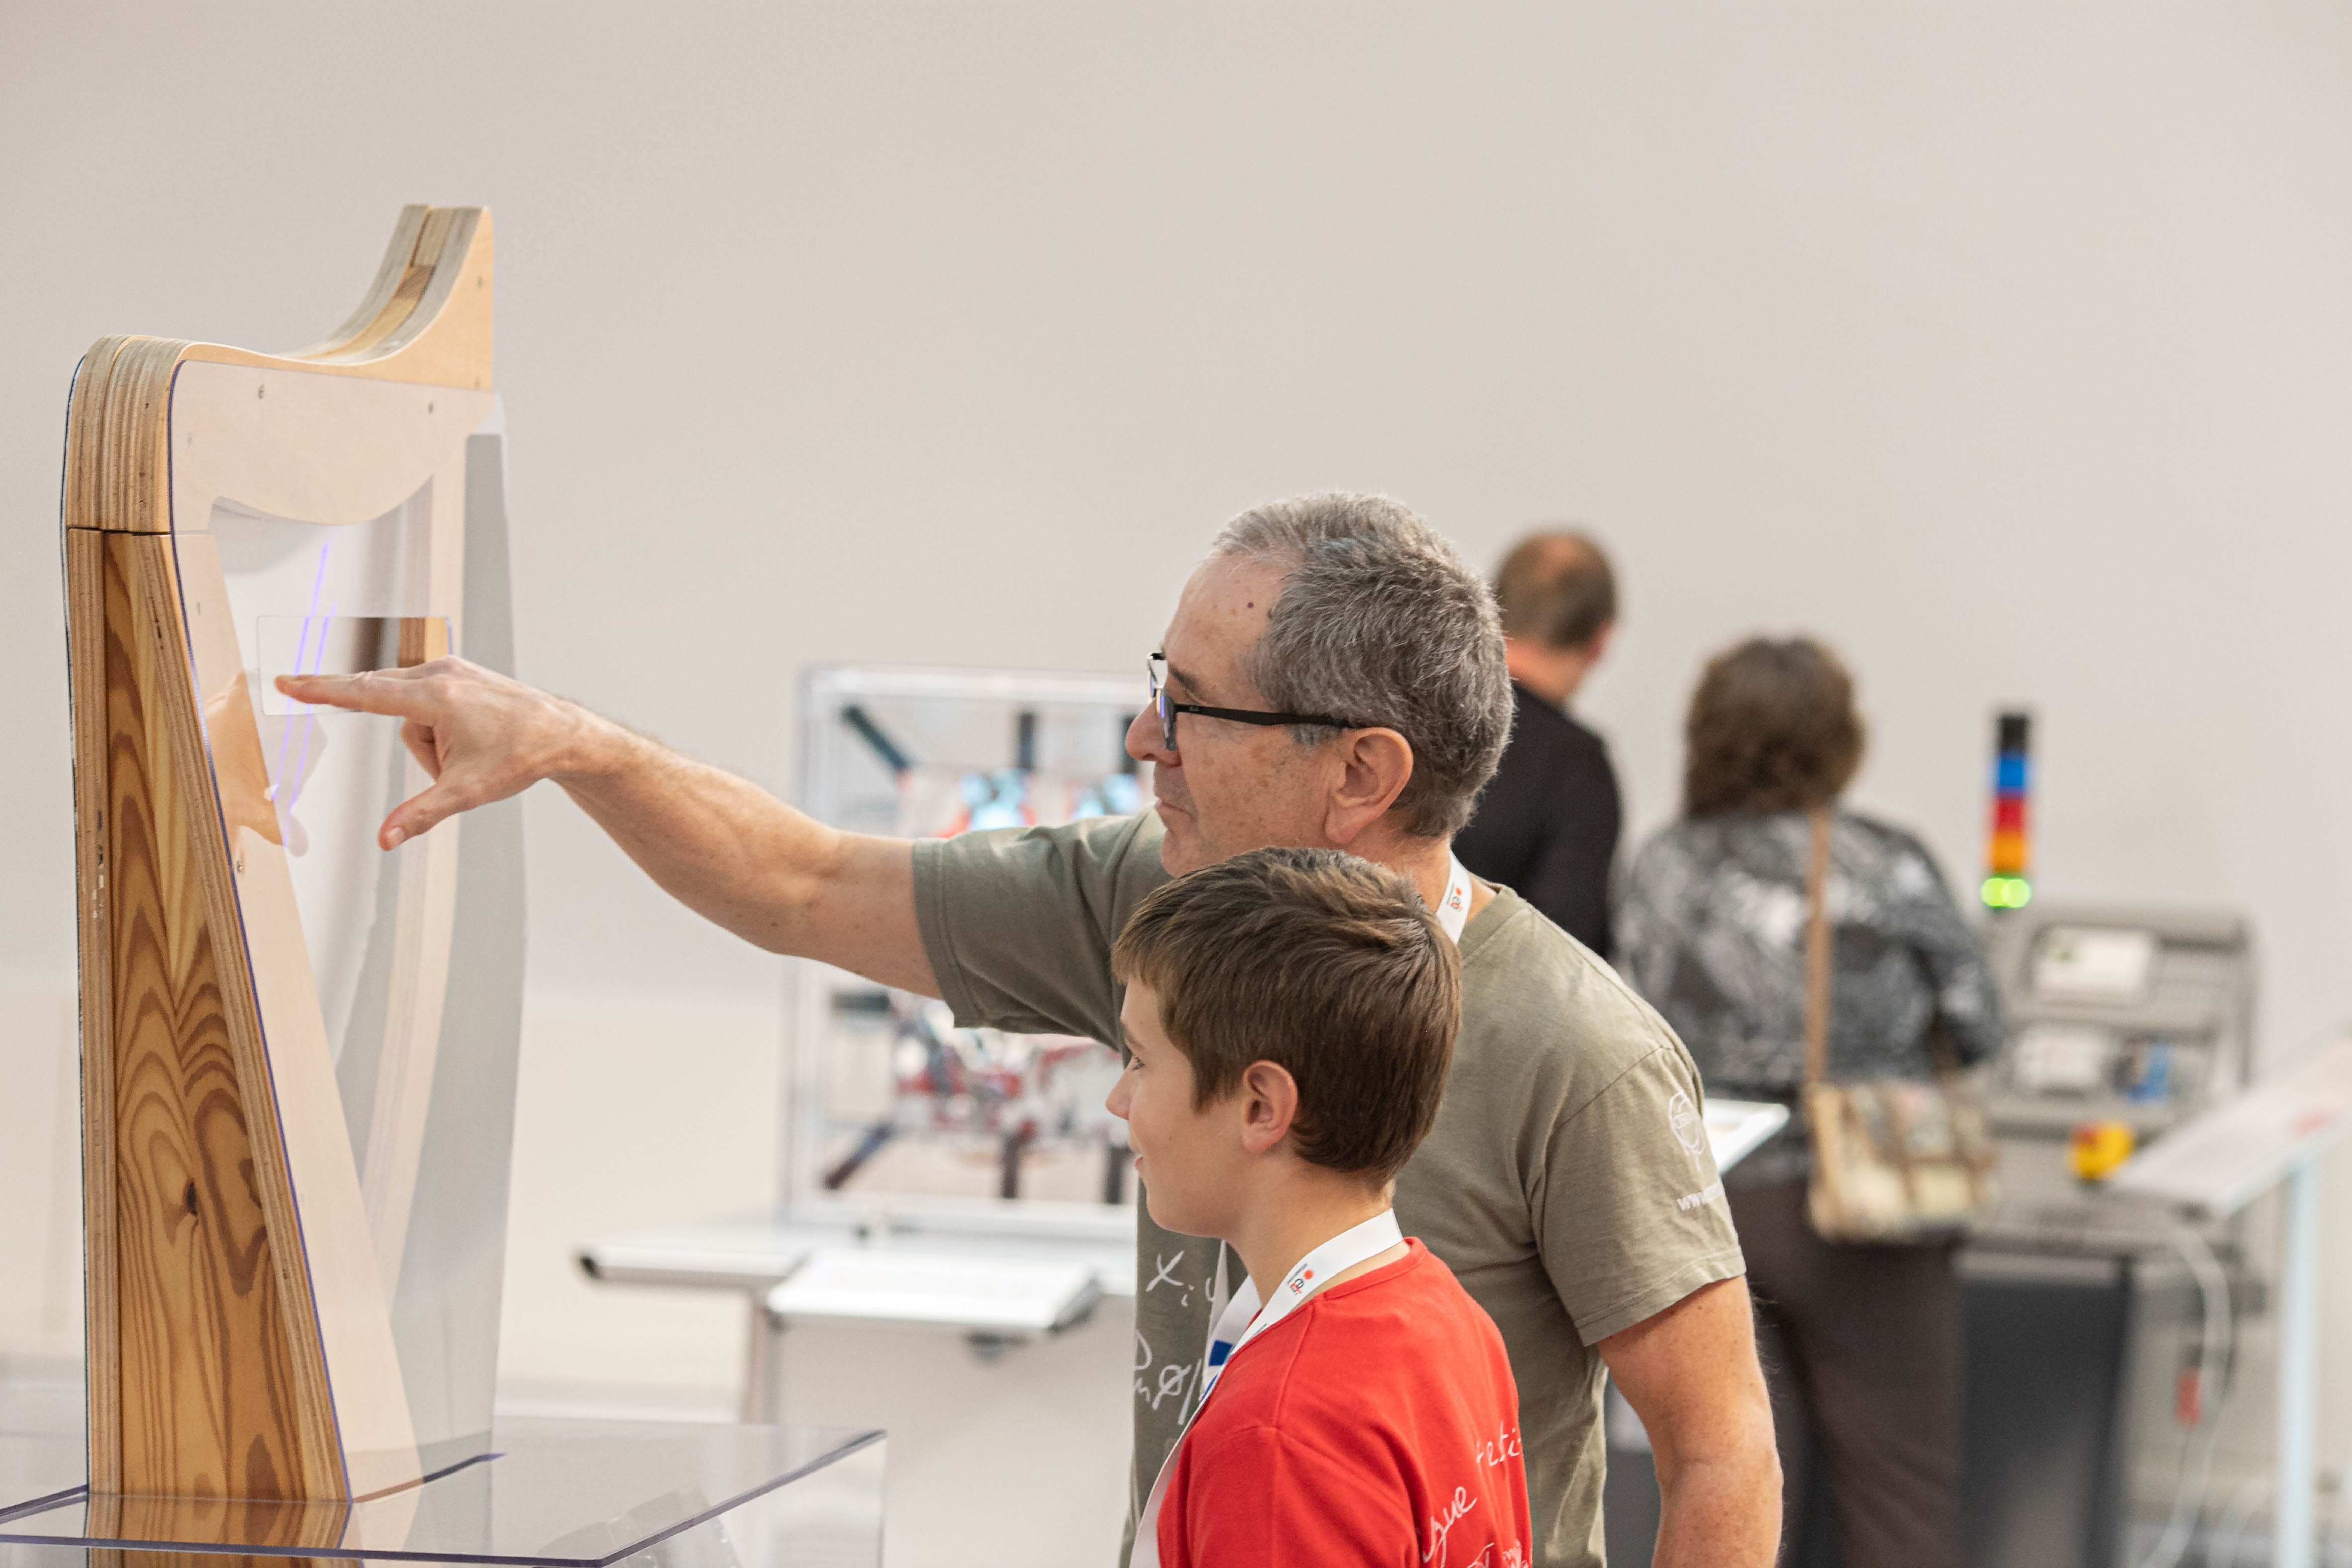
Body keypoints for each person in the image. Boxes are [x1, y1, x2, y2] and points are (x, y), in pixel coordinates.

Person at [282, 491, 1779, 1568]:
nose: (1142, 739)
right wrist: (576, 746)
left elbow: (1718, 1453)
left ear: (1361, 773)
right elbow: (808, 885)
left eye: (1191, 707)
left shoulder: (1584, 1053)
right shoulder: (1160, 896)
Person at [1615, 637, 2003, 1568]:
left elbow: (1636, 1017)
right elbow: (1980, 1021)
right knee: (1900, 1493)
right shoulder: (1883, 862)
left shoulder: (1665, 867)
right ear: (1839, 737)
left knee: (1736, 1490)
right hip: (1863, 1208)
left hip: (1706, 1204)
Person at [1107, 846, 1530, 1567]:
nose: (1118, 1099)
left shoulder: (1277, 1436)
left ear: (1261, 1107)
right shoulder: (1450, 1318)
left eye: (1141, 1060)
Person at [1453, 531, 1622, 957]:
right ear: (1601, 640)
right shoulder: (1578, 769)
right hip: (1489, 996)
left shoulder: (1411, 723)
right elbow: (1568, 954)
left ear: (1490, 614)